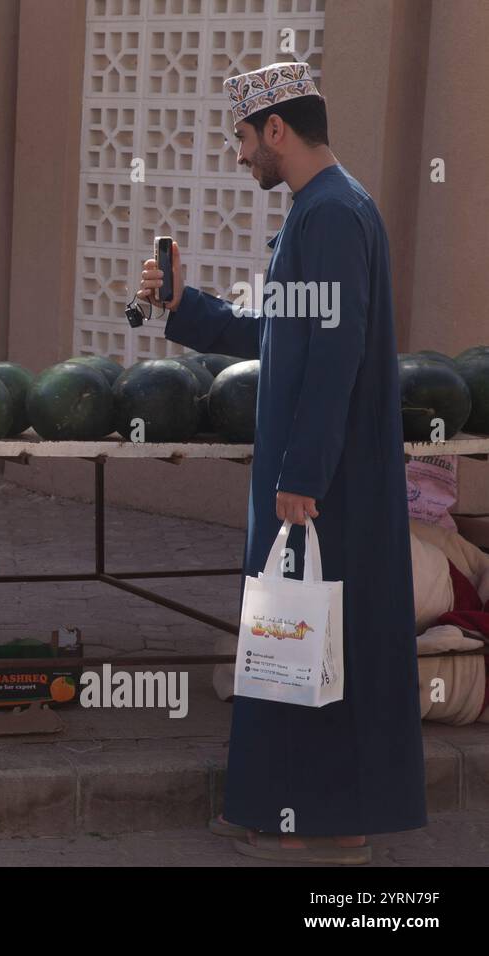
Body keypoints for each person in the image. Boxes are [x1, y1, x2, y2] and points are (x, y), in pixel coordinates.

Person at [137, 63, 425, 863]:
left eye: (241, 139)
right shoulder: (317, 211)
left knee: (322, 644)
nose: (238, 157)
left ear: (275, 130)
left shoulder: (333, 216)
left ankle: (336, 830)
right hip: (309, 474)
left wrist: (303, 472)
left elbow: (334, 359)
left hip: (325, 479)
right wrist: (183, 305)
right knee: (289, 639)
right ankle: (281, 809)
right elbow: (274, 331)